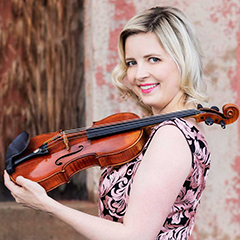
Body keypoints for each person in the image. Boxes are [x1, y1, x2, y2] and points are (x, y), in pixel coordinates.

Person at [4, 6, 210, 240]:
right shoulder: (168, 129)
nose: (139, 74)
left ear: (182, 61)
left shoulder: (171, 136)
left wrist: (50, 206)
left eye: (153, 59)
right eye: (132, 62)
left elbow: (135, 236)